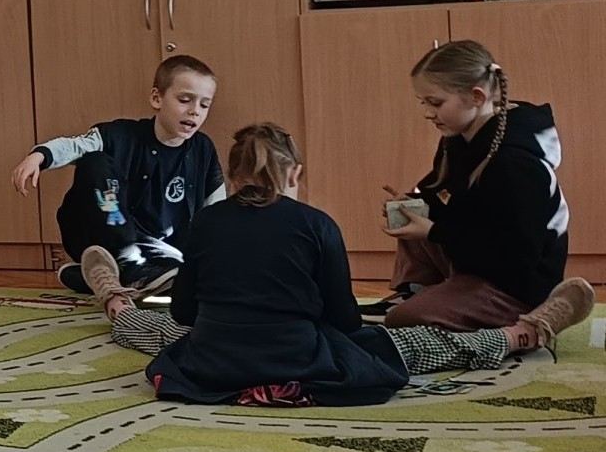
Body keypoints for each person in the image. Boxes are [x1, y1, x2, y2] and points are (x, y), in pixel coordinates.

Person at [78, 122, 595, 407]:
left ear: (231, 178)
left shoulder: (205, 223)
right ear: (295, 173)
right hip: (301, 363)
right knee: (410, 345)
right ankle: (524, 333)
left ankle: (114, 299)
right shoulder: (316, 223)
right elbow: (344, 320)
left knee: (161, 330)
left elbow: (185, 311)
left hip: (215, 365)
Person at [363, 41, 573, 331]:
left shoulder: (514, 164)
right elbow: (449, 197)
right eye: (423, 102)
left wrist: (434, 231)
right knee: (412, 216)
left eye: (435, 103)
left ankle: (532, 326)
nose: (427, 112)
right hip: (476, 263)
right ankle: (417, 292)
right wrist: (416, 204)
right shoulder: (457, 139)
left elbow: (516, 257)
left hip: (516, 286)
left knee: (403, 320)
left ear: (476, 96)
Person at [11, 55, 227, 295]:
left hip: (161, 251)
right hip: (103, 236)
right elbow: (75, 146)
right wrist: (40, 155)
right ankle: (126, 261)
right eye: (185, 100)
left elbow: (216, 207)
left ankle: (95, 275)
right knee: (94, 160)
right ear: (157, 98)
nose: (195, 111)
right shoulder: (119, 134)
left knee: (199, 275)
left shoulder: (202, 148)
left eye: (204, 105)